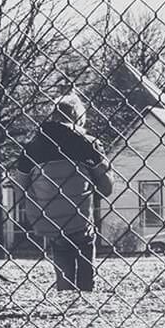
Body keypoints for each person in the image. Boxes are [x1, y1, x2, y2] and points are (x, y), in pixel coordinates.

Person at [15, 93, 114, 292]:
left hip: (47, 217)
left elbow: (20, 188)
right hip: (80, 215)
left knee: (60, 245)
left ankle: (65, 289)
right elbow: (107, 187)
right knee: (85, 238)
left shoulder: (32, 148)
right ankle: (86, 289)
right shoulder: (88, 144)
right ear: (79, 117)